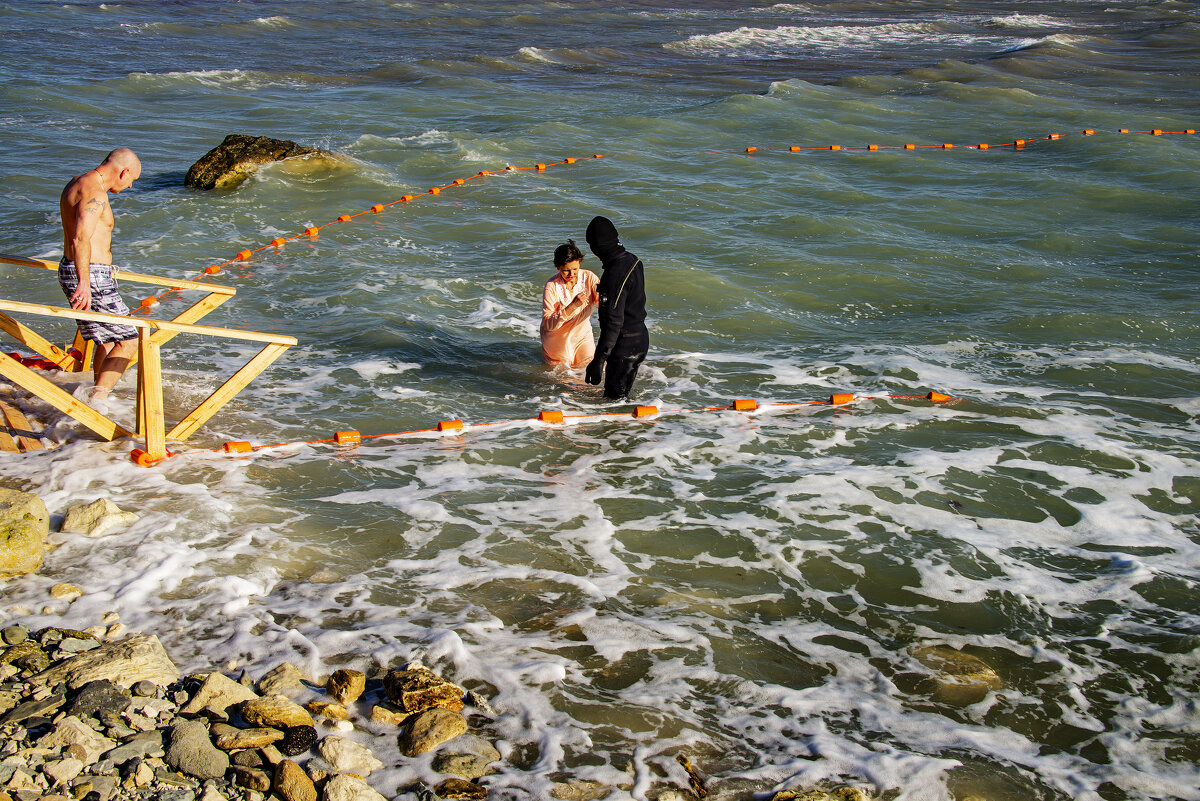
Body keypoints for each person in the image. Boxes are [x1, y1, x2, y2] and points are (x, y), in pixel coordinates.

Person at [58, 148, 142, 402]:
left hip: (77, 269)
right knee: (129, 341)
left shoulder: (77, 182)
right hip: (91, 275)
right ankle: (98, 402)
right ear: (124, 171)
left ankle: (95, 401)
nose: (129, 187)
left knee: (105, 340)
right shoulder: (94, 192)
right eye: (132, 180)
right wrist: (84, 283)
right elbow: (80, 238)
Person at [584, 216, 649, 399]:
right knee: (621, 401)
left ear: (596, 246)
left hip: (625, 347)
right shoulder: (633, 260)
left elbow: (613, 322)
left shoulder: (614, 274)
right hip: (640, 339)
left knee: (614, 403)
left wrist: (598, 361)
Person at [541, 239, 599, 368]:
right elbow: (548, 324)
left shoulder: (589, 277)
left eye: (575, 269)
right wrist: (572, 306)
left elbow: (605, 303)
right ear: (558, 267)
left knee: (591, 372)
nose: (571, 274)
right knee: (564, 382)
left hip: (583, 335)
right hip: (558, 340)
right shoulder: (552, 286)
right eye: (566, 270)